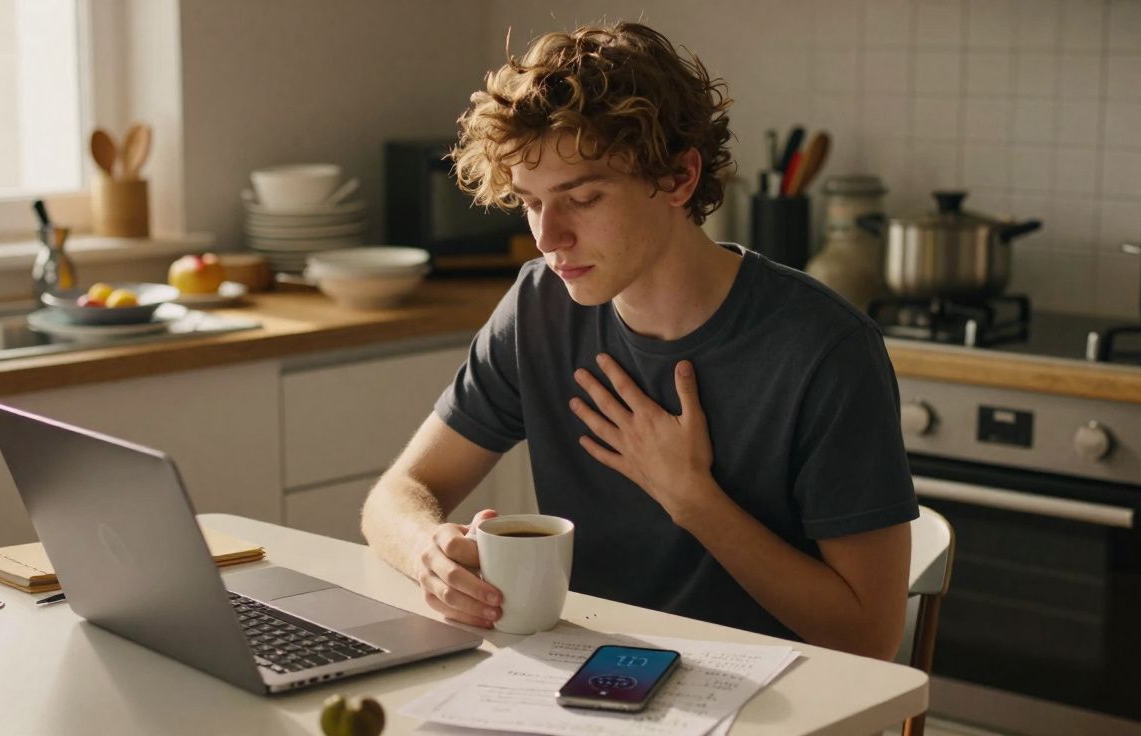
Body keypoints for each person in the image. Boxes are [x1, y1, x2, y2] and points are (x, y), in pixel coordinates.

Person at [361, 21, 917, 660]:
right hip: (589, 677)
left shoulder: (824, 348)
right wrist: (427, 551)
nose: (547, 238)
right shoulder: (539, 307)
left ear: (679, 177)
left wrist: (693, 499)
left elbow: (870, 638)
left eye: (582, 197)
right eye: (530, 202)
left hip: (780, 694)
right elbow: (398, 495)